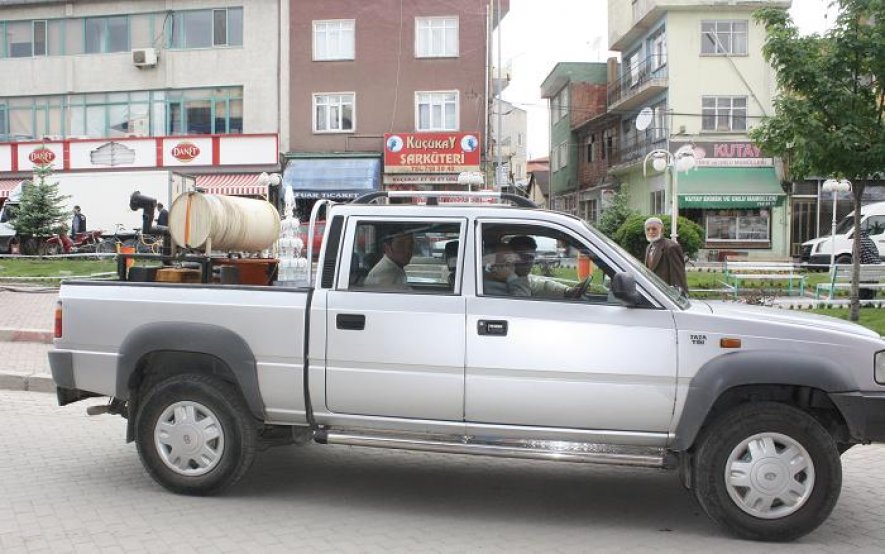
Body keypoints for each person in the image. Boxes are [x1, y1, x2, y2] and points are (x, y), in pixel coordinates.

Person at [508, 235, 576, 298]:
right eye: (523, 257)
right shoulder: (508, 284)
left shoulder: (523, 278)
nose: (528, 262)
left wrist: (567, 291)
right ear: (510, 257)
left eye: (531, 257)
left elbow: (542, 285)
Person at [643, 217, 688, 293]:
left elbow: (678, 276)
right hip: (653, 292)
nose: (651, 232)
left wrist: (679, 295)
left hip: (666, 294)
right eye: (648, 229)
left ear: (662, 230)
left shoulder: (671, 247)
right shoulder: (649, 247)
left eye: (654, 229)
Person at [858, 228, 881, 300]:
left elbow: (857, 260)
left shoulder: (858, 242)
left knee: (858, 276)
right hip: (876, 273)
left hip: (866, 274)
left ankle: (861, 298)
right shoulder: (871, 241)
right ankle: (869, 299)